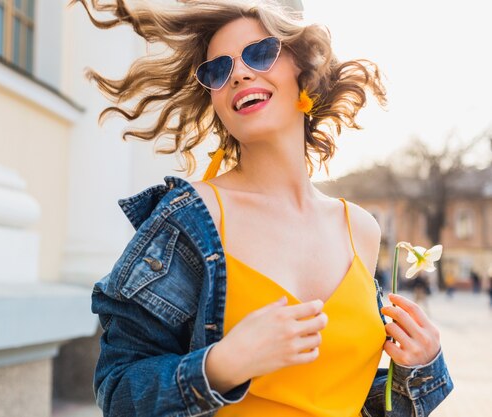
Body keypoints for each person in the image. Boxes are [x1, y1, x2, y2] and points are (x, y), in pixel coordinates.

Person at [73, 1, 454, 416]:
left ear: (304, 70)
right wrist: (222, 366)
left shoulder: (359, 228)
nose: (237, 73)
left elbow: (343, 394)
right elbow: (118, 390)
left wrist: (421, 368)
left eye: (260, 53)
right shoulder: (192, 217)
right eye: (217, 70)